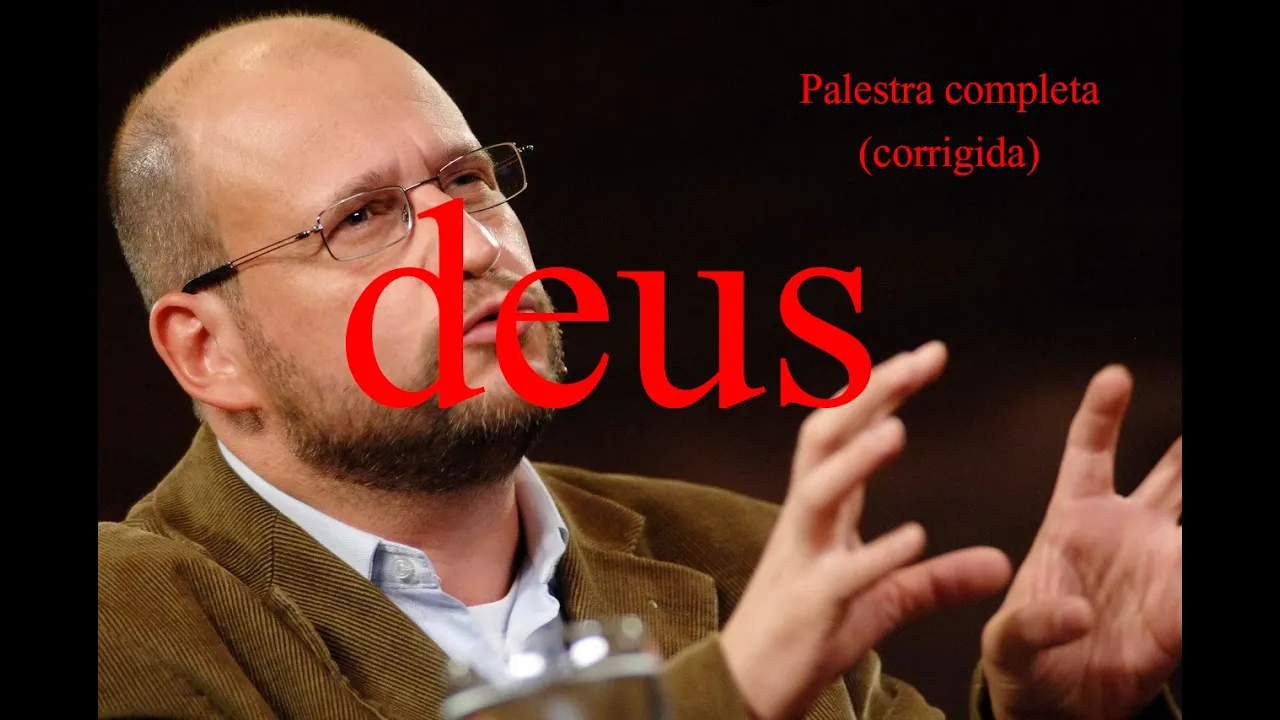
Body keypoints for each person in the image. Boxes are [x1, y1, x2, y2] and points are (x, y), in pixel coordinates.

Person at [97, 12, 1182, 720]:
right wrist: (734, 690)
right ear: (208, 349)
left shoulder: (739, 553)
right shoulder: (128, 617)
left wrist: (1058, 715)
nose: (473, 246)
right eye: (361, 218)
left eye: (469, 181)